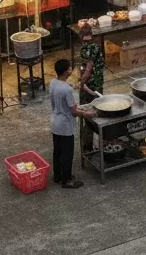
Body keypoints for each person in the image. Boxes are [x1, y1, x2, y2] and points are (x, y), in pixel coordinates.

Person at [50, 59, 95, 189]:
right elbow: (74, 111)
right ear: (66, 72)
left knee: (57, 151)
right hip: (65, 125)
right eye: (70, 68)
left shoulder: (54, 83)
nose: (71, 70)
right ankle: (67, 179)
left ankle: (58, 176)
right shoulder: (67, 90)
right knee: (67, 154)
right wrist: (87, 114)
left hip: (54, 121)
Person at [78, 25, 104, 152]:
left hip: (90, 87)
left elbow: (88, 70)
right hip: (96, 86)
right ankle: (95, 143)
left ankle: (88, 146)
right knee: (96, 114)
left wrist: (80, 83)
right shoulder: (95, 46)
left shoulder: (87, 49)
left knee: (88, 115)